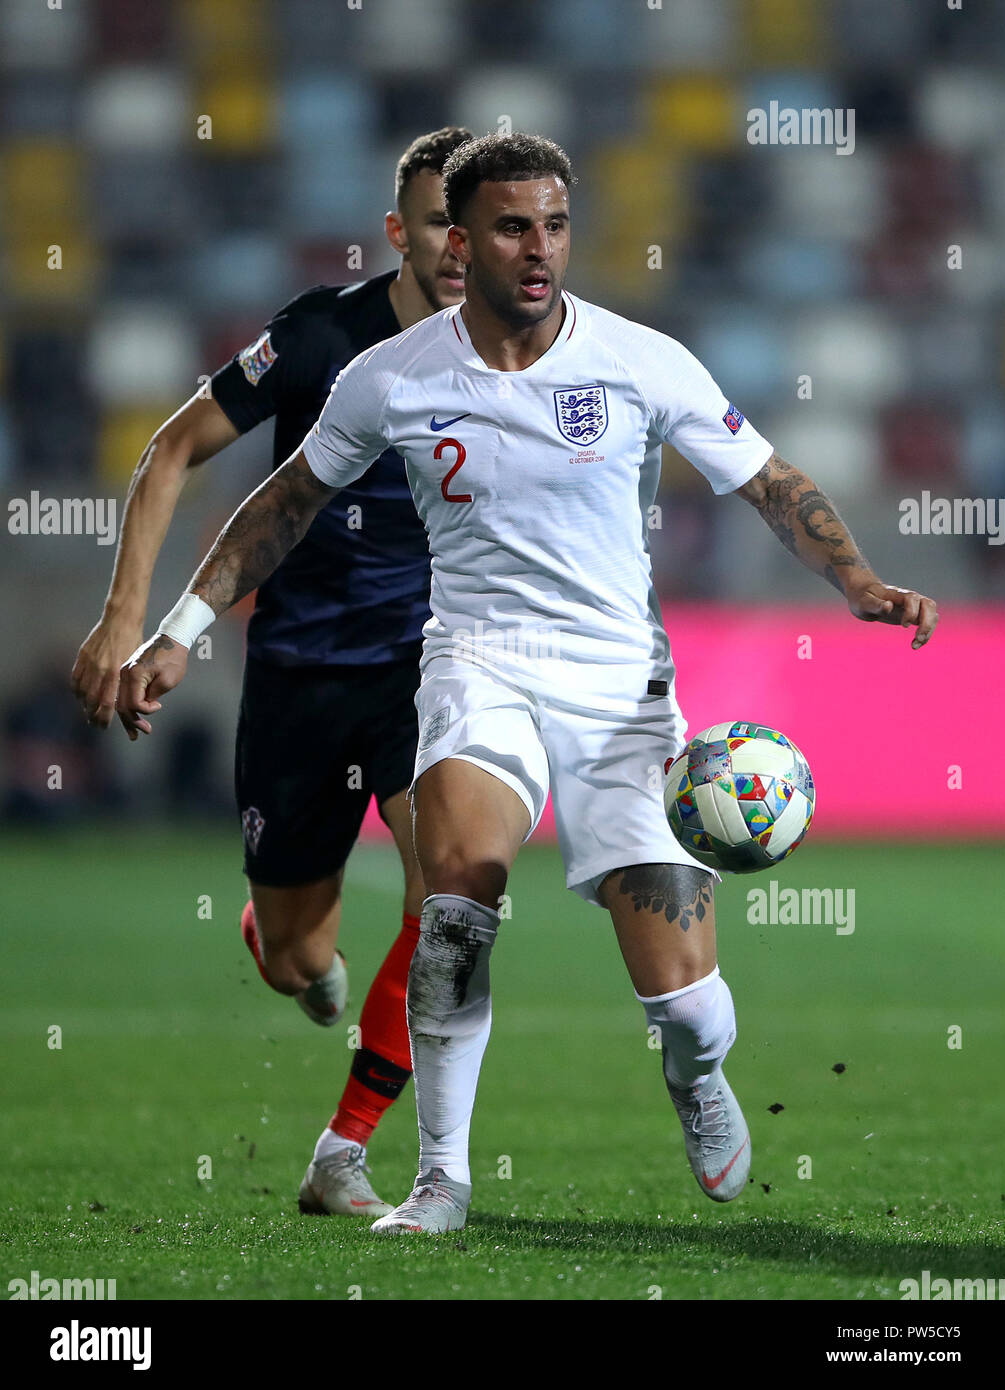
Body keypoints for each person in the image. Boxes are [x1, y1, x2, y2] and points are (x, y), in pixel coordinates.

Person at [117, 133, 939, 1236]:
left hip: (621, 687)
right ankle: (441, 1178)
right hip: (475, 661)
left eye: (554, 224)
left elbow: (771, 481)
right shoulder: (391, 376)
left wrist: (860, 580)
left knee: (684, 1000)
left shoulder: (640, 359)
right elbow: (281, 505)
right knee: (455, 901)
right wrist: (177, 629)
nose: (538, 248)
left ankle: (696, 1076)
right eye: (512, 227)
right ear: (461, 240)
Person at [71, 126, 475, 1218]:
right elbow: (171, 450)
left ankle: (344, 1149)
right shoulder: (318, 338)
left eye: (475, 223)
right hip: (300, 674)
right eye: (439, 220)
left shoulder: (520, 356)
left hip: (430, 667)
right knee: (300, 957)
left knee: (457, 894)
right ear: (400, 231)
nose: (459, 245)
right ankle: (279, 938)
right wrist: (129, 620)